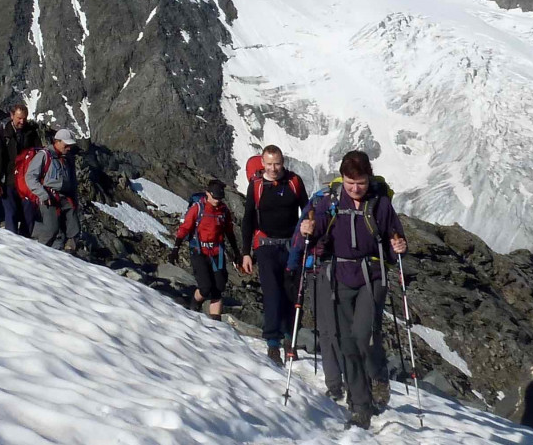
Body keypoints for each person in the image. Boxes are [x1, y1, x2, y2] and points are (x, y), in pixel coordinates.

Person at [301, 150, 406, 429]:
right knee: (346, 343)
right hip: (339, 276)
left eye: (360, 183)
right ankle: (360, 404)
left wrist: (399, 247)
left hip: (372, 277)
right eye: (350, 183)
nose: (355, 188)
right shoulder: (332, 202)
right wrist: (307, 229)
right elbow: (317, 229)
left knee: (362, 337)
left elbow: (395, 235)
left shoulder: (380, 203)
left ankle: (375, 380)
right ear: (343, 179)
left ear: (368, 178)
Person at [240, 146, 308, 366]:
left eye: (277, 163)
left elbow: (306, 210)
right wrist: (246, 253)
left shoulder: (294, 182)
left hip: (291, 245)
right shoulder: (257, 186)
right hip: (266, 245)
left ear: (283, 162)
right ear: (262, 163)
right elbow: (248, 219)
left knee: (291, 293)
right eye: (269, 164)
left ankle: (290, 339)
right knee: (272, 293)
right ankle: (272, 342)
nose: (273, 168)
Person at [172, 180, 242, 320]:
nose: (217, 200)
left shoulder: (223, 211)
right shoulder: (198, 208)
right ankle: (194, 305)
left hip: (217, 253)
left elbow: (229, 232)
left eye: (219, 198)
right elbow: (185, 228)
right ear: (208, 193)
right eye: (215, 197)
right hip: (199, 251)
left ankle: (215, 324)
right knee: (205, 287)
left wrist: (236, 253)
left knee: (219, 288)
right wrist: (176, 248)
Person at [25, 128, 83, 253]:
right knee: (51, 229)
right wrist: (43, 195)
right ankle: (38, 253)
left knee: (74, 228)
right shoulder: (44, 155)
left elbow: (72, 180)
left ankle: (69, 254)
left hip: (66, 197)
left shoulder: (68, 158)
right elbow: (30, 177)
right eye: (66, 145)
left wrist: (74, 198)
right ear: (57, 141)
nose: (68, 148)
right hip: (49, 197)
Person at [0, 104, 43, 237]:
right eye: (19, 118)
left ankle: (24, 242)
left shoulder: (31, 133)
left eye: (24, 118)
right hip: (9, 180)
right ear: (12, 116)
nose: (22, 121)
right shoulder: (3, 133)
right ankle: (11, 243)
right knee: (11, 213)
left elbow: (40, 155)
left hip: (27, 181)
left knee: (29, 214)